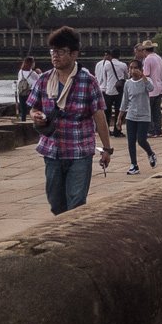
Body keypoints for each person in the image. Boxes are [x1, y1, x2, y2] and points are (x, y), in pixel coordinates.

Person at [28, 26, 114, 214]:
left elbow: (99, 116)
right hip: (52, 150)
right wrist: (35, 115)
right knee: (55, 202)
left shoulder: (88, 80)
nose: (55, 56)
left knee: (76, 202)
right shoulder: (44, 79)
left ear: (74, 54)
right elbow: (33, 107)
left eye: (61, 51)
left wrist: (107, 149)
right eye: (53, 51)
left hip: (79, 149)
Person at [120, 58, 157, 175]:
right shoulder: (128, 83)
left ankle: (150, 153)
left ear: (141, 69)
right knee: (131, 141)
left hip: (144, 115)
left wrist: (143, 77)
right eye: (131, 68)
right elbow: (125, 100)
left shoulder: (146, 81)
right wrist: (120, 117)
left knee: (141, 139)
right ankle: (134, 164)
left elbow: (151, 88)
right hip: (131, 115)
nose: (133, 70)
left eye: (135, 68)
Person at [95, 48, 127, 137]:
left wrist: (106, 86)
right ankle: (117, 130)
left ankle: (106, 130)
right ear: (119, 55)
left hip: (108, 91)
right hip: (119, 91)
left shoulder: (107, 65)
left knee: (107, 112)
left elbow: (104, 77)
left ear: (111, 55)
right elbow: (126, 76)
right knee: (119, 111)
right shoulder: (123, 65)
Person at [138, 41, 162, 137]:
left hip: (151, 89)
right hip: (159, 86)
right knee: (157, 111)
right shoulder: (159, 58)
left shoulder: (148, 59)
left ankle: (151, 130)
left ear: (145, 50)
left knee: (148, 111)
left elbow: (146, 74)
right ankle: (158, 130)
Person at [15, 55, 40, 121]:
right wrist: (40, 73)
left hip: (21, 91)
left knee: (23, 108)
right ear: (31, 64)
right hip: (30, 92)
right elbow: (40, 80)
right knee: (34, 108)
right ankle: (35, 120)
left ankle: (23, 121)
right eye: (33, 62)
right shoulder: (33, 73)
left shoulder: (20, 71)